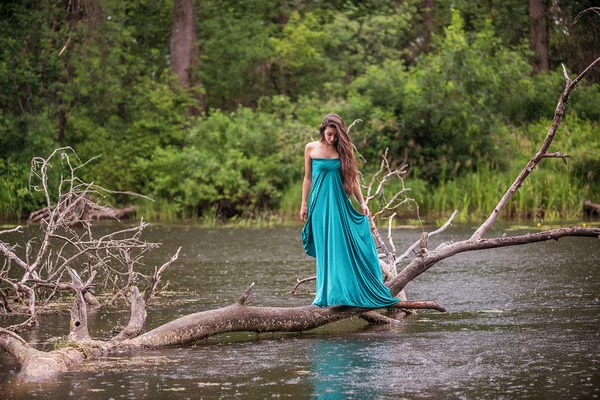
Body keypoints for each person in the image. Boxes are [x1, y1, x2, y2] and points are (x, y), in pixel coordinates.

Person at [300, 114, 399, 308]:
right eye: (329, 134)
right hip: (318, 205)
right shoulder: (310, 148)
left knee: (340, 245)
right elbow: (307, 178)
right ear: (323, 131)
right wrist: (303, 204)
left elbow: (352, 179)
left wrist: (362, 203)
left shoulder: (344, 150)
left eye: (335, 135)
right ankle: (326, 295)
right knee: (325, 248)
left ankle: (346, 292)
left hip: (338, 204)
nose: (332, 139)